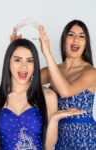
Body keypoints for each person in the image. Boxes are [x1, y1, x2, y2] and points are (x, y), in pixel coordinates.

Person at [0, 38, 84, 150]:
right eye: (18, 60)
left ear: (35, 65)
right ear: (9, 63)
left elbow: (48, 146)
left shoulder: (48, 96)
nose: (24, 66)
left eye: (30, 61)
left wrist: (55, 119)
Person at [38, 20, 96, 149]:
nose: (76, 39)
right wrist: (16, 49)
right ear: (64, 40)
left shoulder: (91, 72)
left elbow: (66, 91)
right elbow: (24, 82)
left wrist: (47, 53)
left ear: (85, 44)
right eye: (71, 34)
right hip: (59, 139)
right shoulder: (53, 70)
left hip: (86, 140)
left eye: (82, 36)